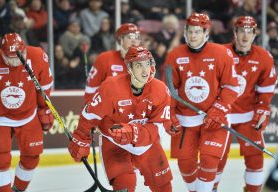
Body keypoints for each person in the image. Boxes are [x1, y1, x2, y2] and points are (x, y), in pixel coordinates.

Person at [68, 46, 175, 191]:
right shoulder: (111, 87)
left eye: (147, 64)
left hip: (147, 145)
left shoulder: (161, 90)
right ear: (129, 68)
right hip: (115, 143)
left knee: (164, 186)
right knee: (125, 185)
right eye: (139, 65)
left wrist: (133, 132)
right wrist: (81, 137)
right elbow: (90, 114)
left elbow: (159, 127)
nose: (145, 71)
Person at [163, 12, 239, 192]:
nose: (192, 35)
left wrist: (218, 109)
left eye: (197, 32)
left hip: (214, 119)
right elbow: (169, 92)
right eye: (190, 31)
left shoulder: (222, 53)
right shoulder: (174, 55)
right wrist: (170, 116)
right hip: (185, 121)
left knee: (209, 158)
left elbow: (231, 87)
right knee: (186, 164)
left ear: (206, 33)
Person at [214, 16, 277, 192]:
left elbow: (266, 88)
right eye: (241, 31)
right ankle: (210, 188)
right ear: (235, 33)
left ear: (255, 34)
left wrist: (263, 108)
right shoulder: (220, 53)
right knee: (215, 157)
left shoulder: (264, 57)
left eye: (249, 32)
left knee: (255, 156)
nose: (245, 36)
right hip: (222, 113)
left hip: (247, 115)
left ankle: (253, 190)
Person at [0, 33, 54, 192]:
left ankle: (18, 189)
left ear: (24, 50)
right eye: (10, 58)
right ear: (2, 52)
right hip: (0, 118)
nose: (15, 61)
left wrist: (44, 108)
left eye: (19, 56)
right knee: (0, 160)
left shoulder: (37, 56)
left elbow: (44, 86)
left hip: (28, 115)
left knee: (32, 157)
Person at [84, 23, 141, 103]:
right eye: (130, 36)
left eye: (137, 37)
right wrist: (93, 112)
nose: (134, 40)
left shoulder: (145, 62)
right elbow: (90, 90)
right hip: (108, 111)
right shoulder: (105, 58)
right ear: (120, 39)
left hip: (133, 113)